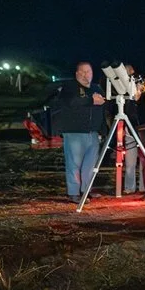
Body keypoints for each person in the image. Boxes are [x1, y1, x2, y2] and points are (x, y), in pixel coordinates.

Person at [57, 62, 106, 203]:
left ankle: (86, 190)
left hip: (93, 133)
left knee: (89, 166)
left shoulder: (96, 88)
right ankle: (73, 192)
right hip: (75, 133)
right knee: (74, 164)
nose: (86, 75)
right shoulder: (69, 87)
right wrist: (90, 100)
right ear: (77, 73)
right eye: (83, 72)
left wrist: (102, 130)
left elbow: (102, 111)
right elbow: (71, 102)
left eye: (88, 72)